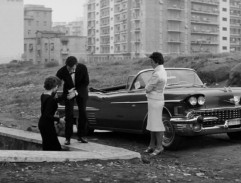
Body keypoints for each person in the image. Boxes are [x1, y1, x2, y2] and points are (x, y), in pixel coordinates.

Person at [56, 56, 89, 145]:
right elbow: (56, 83)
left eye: (72, 68)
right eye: (69, 68)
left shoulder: (83, 68)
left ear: (76, 65)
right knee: (69, 114)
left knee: (83, 113)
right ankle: (68, 138)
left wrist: (76, 92)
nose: (70, 70)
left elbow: (86, 82)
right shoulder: (61, 71)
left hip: (81, 92)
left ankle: (81, 136)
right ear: (66, 65)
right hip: (68, 93)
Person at [144, 52, 167, 156]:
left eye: (152, 62)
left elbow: (148, 88)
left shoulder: (157, 73)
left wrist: (146, 87)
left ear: (156, 62)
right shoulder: (163, 71)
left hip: (154, 100)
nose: (151, 64)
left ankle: (159, 146)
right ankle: (152, 145)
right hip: (158, 99)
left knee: (156, 124)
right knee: (153, 123)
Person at [38, 76, 63, 151]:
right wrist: (59, 119)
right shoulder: (50, 99)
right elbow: (47, 115)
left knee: (47, 145)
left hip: (42, 123)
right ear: (56, 86)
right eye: (58, 87)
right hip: (47, 125)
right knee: (56, 147)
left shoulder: (43, 95)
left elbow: (50, 103)